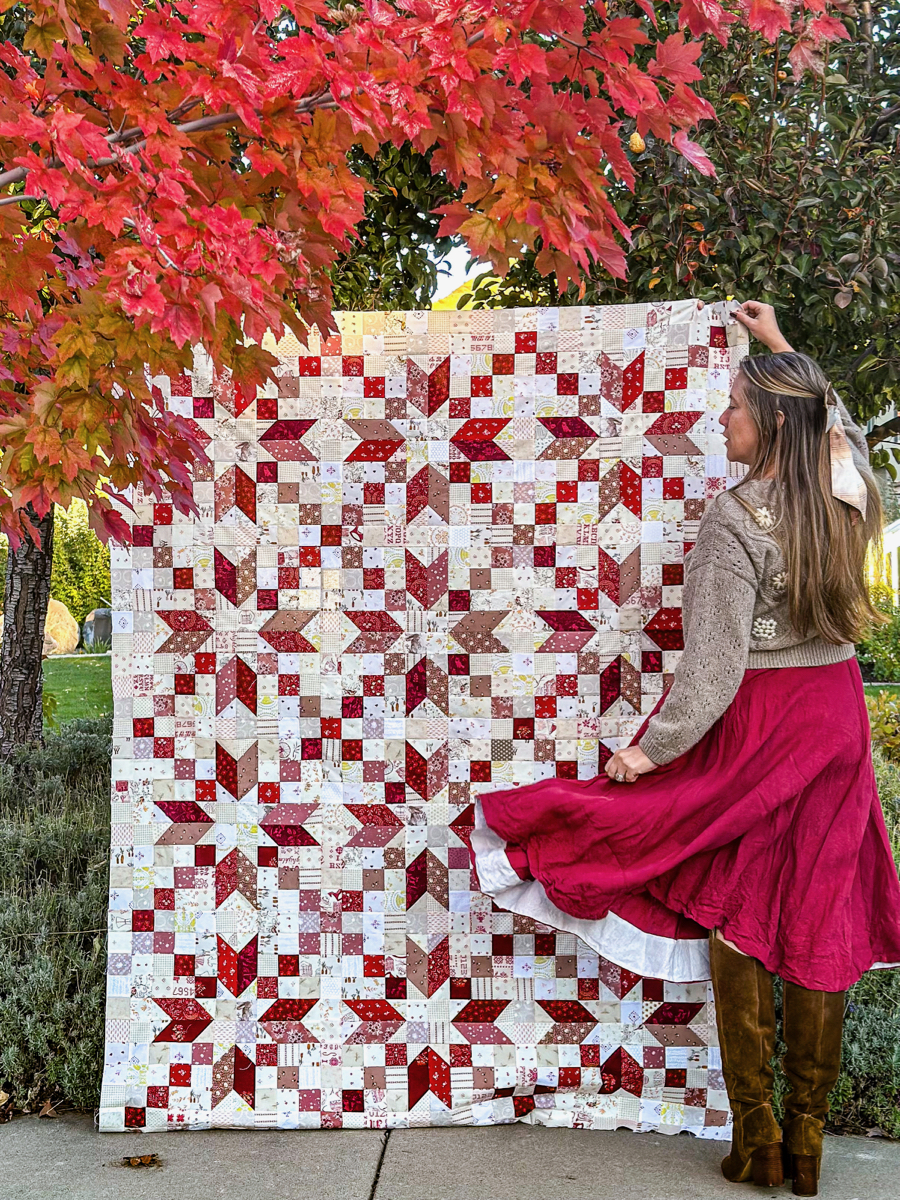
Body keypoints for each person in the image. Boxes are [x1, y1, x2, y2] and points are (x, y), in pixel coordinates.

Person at [471, 301, 900, 1197]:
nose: (723, 417)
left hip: (760, 726)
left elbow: (711, 671)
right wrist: (780, 345)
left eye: (736, 405)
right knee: (819, 912)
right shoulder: (847, 494)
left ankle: (758, 1138)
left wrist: (648, 755)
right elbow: (844, 434)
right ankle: (807, 1146)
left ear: (771, 420)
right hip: (836, 717)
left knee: (740, 908)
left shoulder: (735, 519)